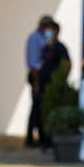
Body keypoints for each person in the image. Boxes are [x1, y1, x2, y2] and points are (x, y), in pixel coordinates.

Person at [37, 22, 71, 150]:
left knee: (52, 114)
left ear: (57, 31)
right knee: (43, 114)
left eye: (50, 30)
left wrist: (60, 82)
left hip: (54, 90)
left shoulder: (61, 48)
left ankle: (53, 144)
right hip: (43, 87)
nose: (48, 32)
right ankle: (45, 143)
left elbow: (67, 64)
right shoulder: (45, 47)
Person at [26, 15, 53, 147]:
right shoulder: (34, 38)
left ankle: (40, 137)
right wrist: (36, 83)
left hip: (41, 78)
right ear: (44, 26)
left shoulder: (43, 38)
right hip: (36, 77)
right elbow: (32, 63)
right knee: (36, 108)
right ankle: (30, 138)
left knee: (39, 108)